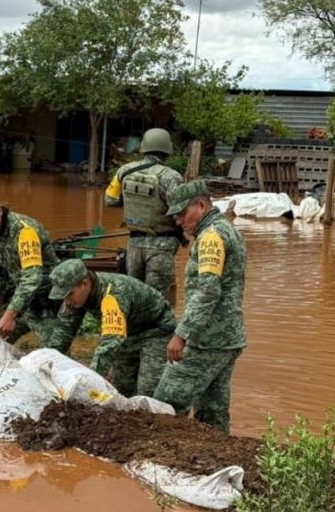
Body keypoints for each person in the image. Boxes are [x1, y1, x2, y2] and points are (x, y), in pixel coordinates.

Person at [153, 179, 247, 433]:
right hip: (228, 338)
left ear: (202, 205)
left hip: (206, 340)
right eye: (176, 216)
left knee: (165, 404)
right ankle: (217, 462)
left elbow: (207, 290)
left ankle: (158, 461)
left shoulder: (211, 238)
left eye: (183, 213)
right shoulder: (228, 230)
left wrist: (181, 335)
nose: (178, 221)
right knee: (212, 414)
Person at [48, 259, 176, 397]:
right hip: (128, 333)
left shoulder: (114, 294)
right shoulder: (76, 297)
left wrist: (89, 379)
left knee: (147, 391)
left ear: (85, 284)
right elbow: (63, 332)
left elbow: (110, 342)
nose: (67, 301)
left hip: (155, 331)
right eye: (64, 296)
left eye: (69, 294)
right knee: (122, 390)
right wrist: (48, 363)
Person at [0, 191, 63, 349]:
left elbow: (32, 279)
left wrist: (10, 314)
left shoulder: (25, 232)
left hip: (47, 301)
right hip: (22, 301)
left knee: (57, 355)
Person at [104, 128, 184, 303]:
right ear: (167, 150)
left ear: (143, 147)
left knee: (134, 297)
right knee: (157, 302)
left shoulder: (124, 171)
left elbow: (109, 200)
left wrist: (131, 202)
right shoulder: (172, 177)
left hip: (133, 245)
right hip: (161, 247)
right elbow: (180, 211)